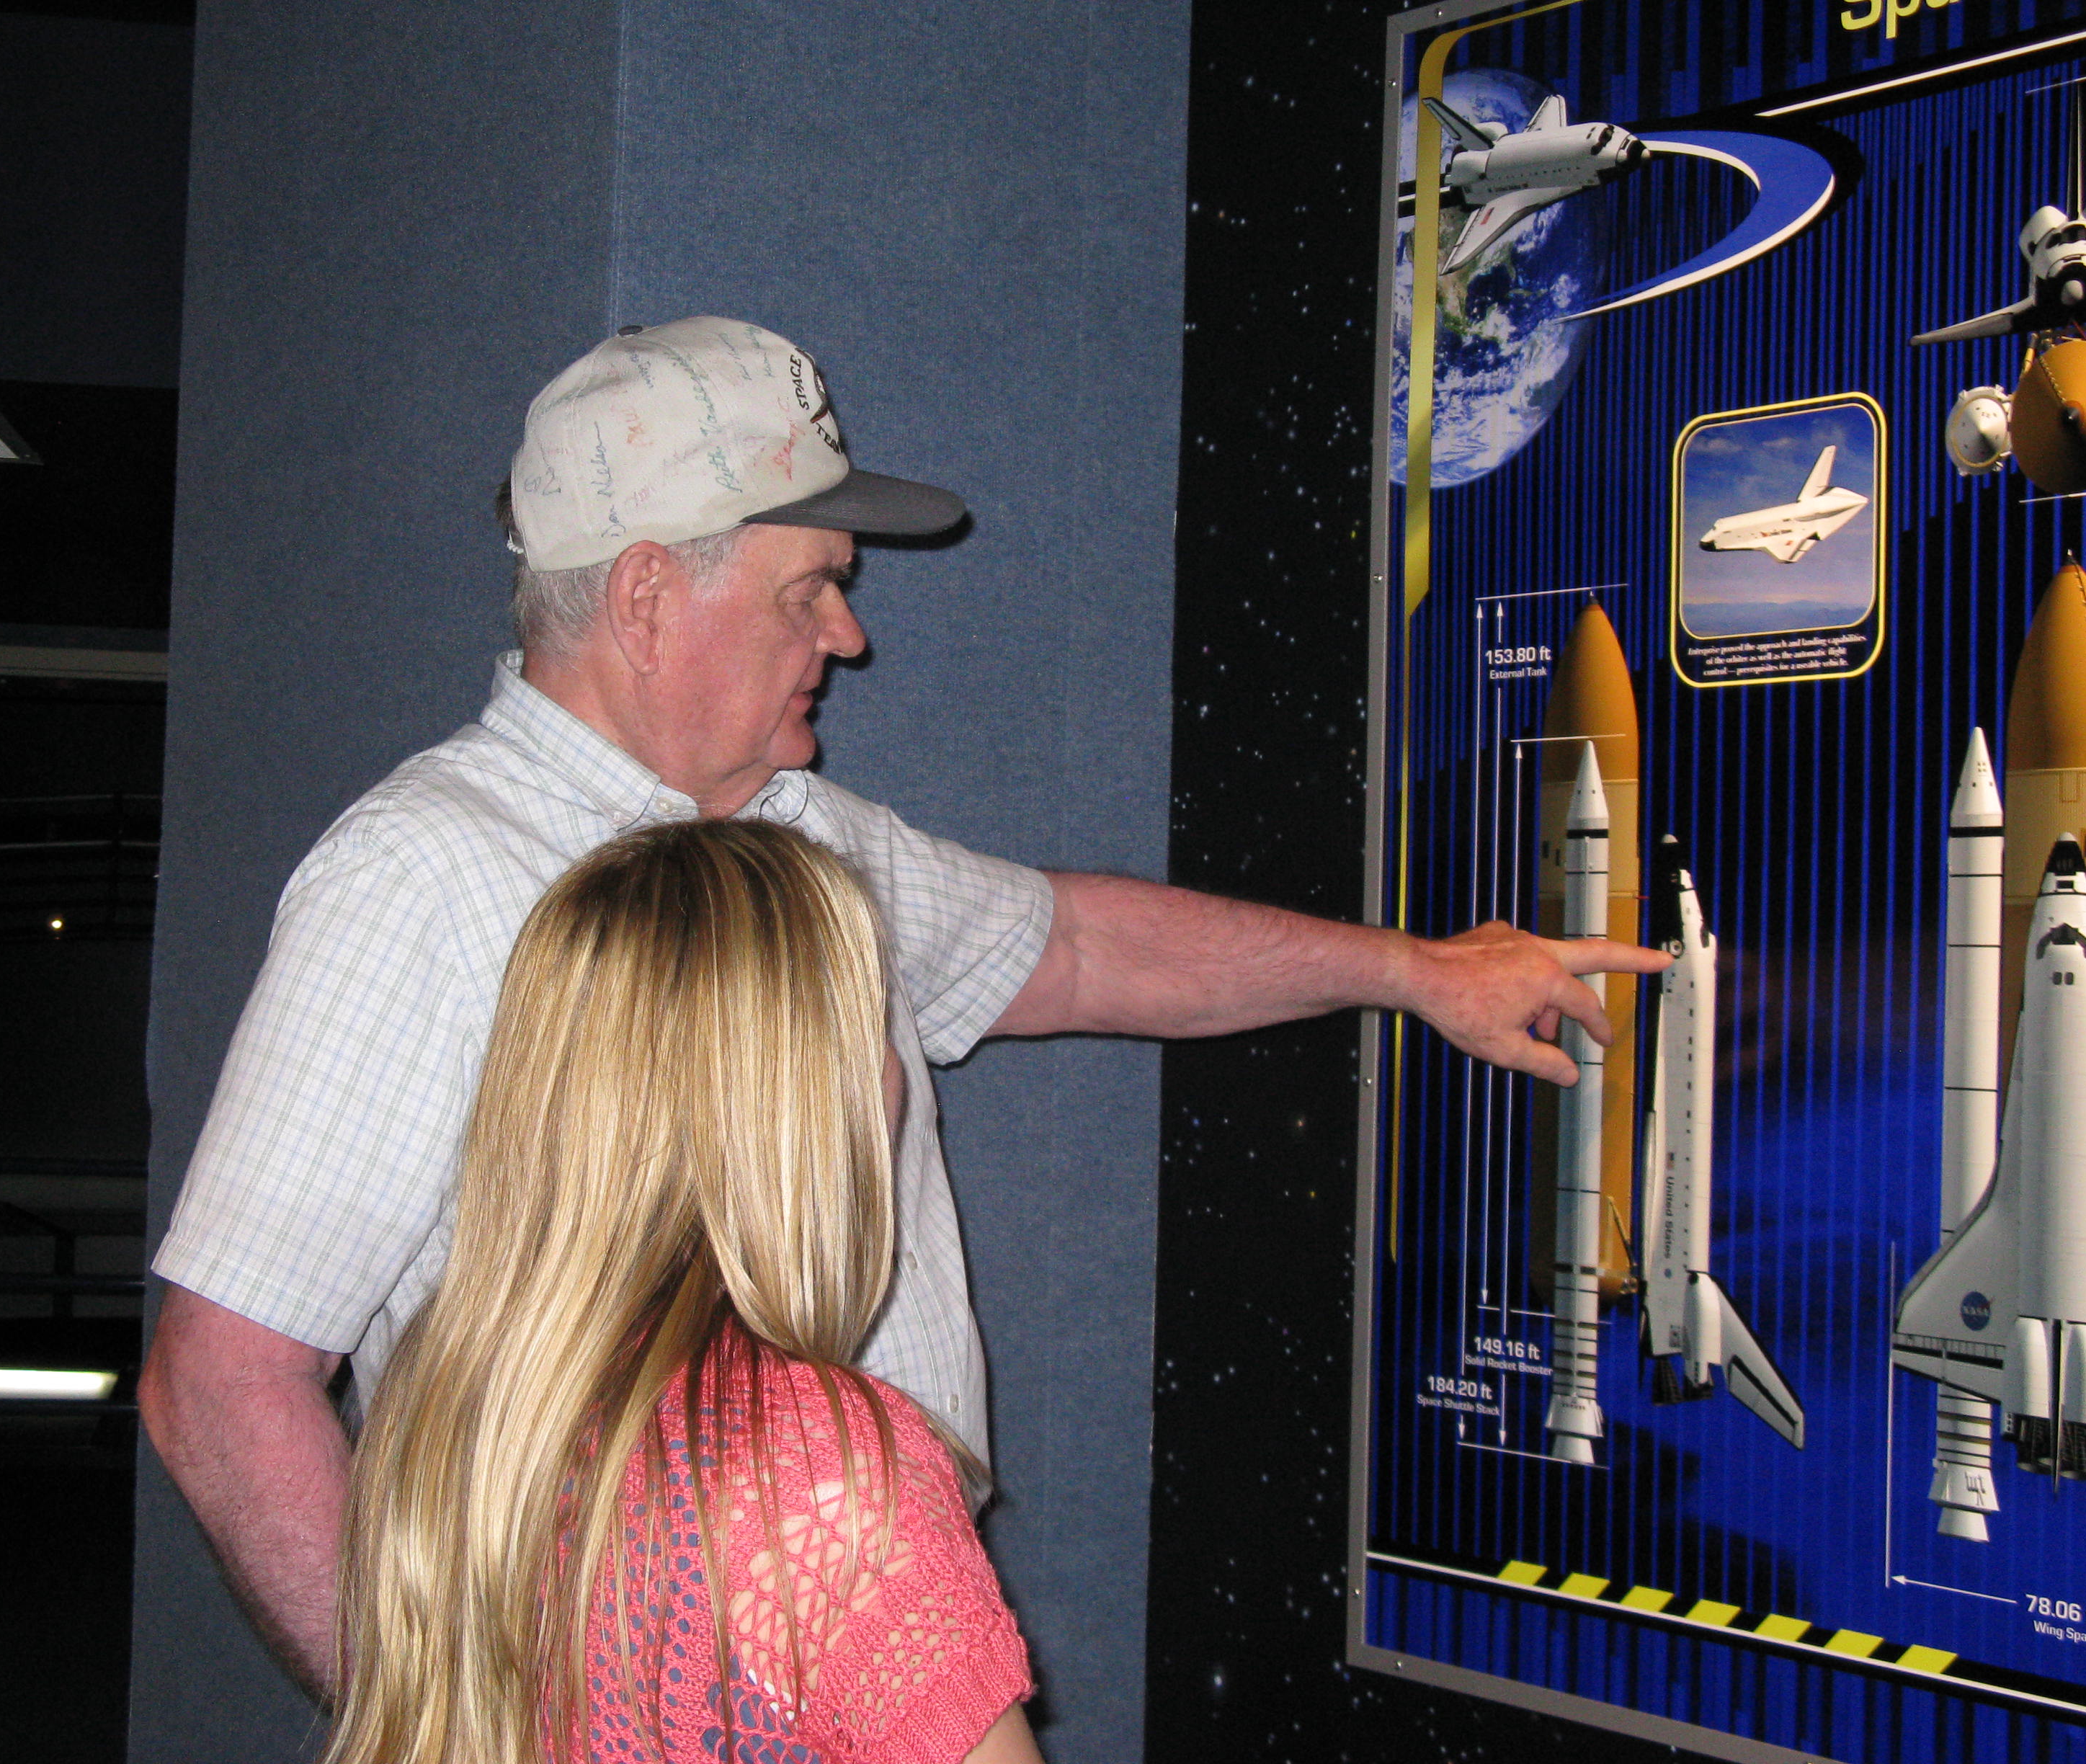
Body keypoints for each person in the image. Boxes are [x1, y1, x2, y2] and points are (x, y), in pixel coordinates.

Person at [139, 316, 1667, 1699]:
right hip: (642, 1698)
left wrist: (1415, 972)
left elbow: (1075, 948)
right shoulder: (426, 875)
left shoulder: (790, 836)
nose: (849, 636)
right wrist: (439, 1727)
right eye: (809, 590)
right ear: (649, 596)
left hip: (878, 1647)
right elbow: (222, 1382)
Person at [324, 817, 1039, 1764]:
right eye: (870, 1025)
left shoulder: (452, 1408)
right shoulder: (816, 1466)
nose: (894, 1075)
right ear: (800, 1095)